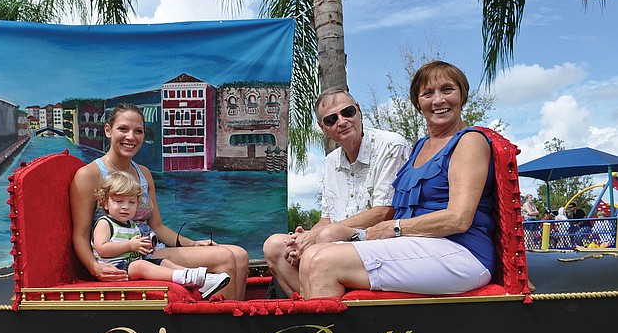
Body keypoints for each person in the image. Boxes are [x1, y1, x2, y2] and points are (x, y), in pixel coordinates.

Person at [298, 61, 495, 298]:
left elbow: (458, 219)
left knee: (324, 262)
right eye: (428, 93)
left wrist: (395, 227)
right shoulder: (421, 146)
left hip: (462, 251)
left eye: (447, 89)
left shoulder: (469, 141)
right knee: (310, 256)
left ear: (462, 94)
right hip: (418, 244)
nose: (438, 100)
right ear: (418, 102)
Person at [70, 103, 249, 299]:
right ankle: (219, 323)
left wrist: (191, 244)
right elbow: (81, 234)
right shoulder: (88, 175)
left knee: (240, 255)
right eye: (123, 129)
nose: (131, 137)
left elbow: (158, 226)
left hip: (152, 250)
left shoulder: (144, 173)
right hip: (125, 259)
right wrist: (94, 267)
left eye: (138, 131)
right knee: (224, 257)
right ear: (108, 130)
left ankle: (234, 319)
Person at [262, 89, 410, 296]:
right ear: (323, 128)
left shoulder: (390, 144)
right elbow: (327, 218)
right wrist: (302, 240)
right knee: (276, 246)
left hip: (379, 241)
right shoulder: (331, 161)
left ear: (358, 111)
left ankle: (321, 313)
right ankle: (310, 309)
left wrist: (317, 236)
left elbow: (385, 212)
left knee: (328, 235)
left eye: (347, 112)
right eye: (331, 119)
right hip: (333, 241)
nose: (342, 121)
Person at [91, 170, 231, 299]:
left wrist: (143, 247)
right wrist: (130, 245)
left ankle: (200, 278)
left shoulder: (132, 225)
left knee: (163, 262)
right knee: (141, 265)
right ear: (105, 203)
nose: (125, 206)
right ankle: (185, 277)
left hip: (131, 264)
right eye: (118, 201)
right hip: (116, 269)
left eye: (131, 202)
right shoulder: (105, 223)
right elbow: (102, 248)